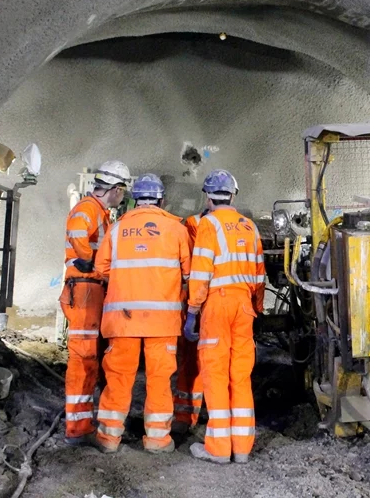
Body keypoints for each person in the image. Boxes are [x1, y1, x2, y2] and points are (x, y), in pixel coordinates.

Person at [94, 173, 191, 454]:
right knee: (160, 378)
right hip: (162, 321)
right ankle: (158, 440)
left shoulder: (117, 228)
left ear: (136, 200)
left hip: (123, 319)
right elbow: (189, 273)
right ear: (161, 200)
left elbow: (101, 269)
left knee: (119, 377)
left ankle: (109, 439)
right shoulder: (176, 229)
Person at [185, 170, 265, 464]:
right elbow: (259, 276)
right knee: (240, 376)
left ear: (207, 196)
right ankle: (242, 449)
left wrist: (192, 311)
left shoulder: (208, 224)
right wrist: (257, 308)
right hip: (244, 306)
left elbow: (201, 271)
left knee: (215, 374)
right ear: (233, 195)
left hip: (217, 305)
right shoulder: (249, 227)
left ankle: (218, 449)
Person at [60, 160, 130, 445]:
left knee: (91, 358)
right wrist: (89, 259)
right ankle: (77, 428)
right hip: (85, 289)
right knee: (83, 357)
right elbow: (77, 231)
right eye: (122, 190)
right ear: (113, 189)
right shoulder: (88, 209)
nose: (122, 196)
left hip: (91, 289)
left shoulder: (100, 212)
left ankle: (83, 421)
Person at [173, 210, 209, 432]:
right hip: (214, 303)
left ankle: (186, 418)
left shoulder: (192, 224)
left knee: (192, 361)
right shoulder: (243, 227)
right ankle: (192, 416)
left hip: (199, 301)